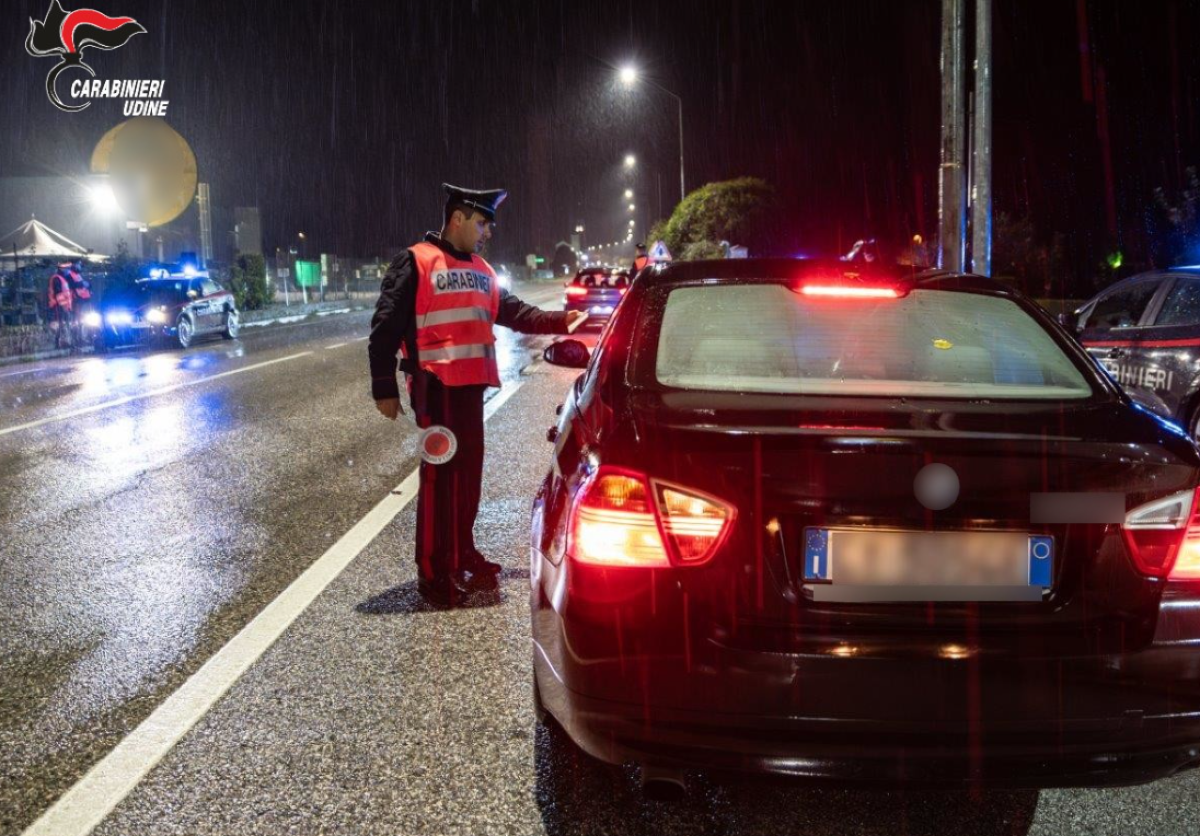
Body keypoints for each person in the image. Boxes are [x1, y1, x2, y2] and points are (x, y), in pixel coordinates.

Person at [368, 184, 587, 608]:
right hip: (436, 390)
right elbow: (384, 329)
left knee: (467, 480)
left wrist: (563, 319)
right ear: (458, 218)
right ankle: (434, 574)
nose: (487, 231)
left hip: (469, 392)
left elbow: (516, 313)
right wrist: (384, 388)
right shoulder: (416, 262)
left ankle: (462, 555)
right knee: (439, 485)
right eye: (483, 222)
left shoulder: (483, 270)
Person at [47, 262, 74, 349]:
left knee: (64, 324)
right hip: (58, 306)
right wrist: (63, 306)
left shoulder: (62, 279)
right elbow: (58, 294)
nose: (68, 271)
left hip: (63, 306)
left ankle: (65, 342)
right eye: (66, 269)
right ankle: (58, 343)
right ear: (61, 269)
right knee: (59, 324)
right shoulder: (57, 279)